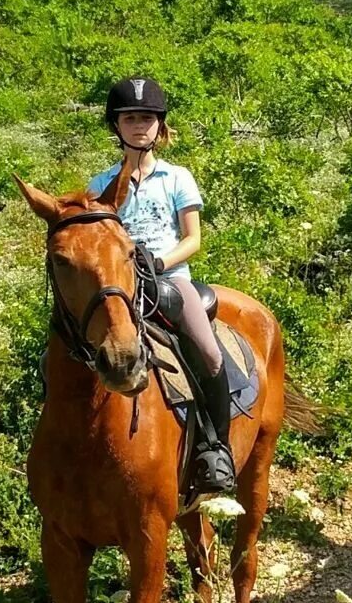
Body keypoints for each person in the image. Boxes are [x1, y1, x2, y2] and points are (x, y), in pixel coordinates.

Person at [91, 76, 241, 512]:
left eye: (147, 118)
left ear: (160, 126)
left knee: (209, 354)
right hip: (122, 284)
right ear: (116, 126)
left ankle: (216, 450)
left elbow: (193, 239)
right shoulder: (101, 182)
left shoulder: (177, 177)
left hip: (172, 280)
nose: (139, 126)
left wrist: (160, 261)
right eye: (130, 118)